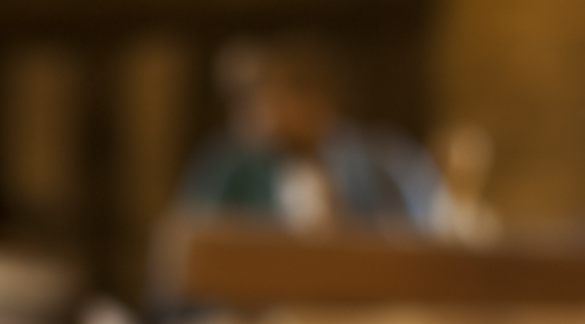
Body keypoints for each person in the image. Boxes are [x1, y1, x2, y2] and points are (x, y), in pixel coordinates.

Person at [175, 38, 442, 230]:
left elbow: (422, 235)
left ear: (318, 102)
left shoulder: (387, 160)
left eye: (272, 101)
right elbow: (195, 248)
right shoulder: (229, 165)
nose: (250, 116)